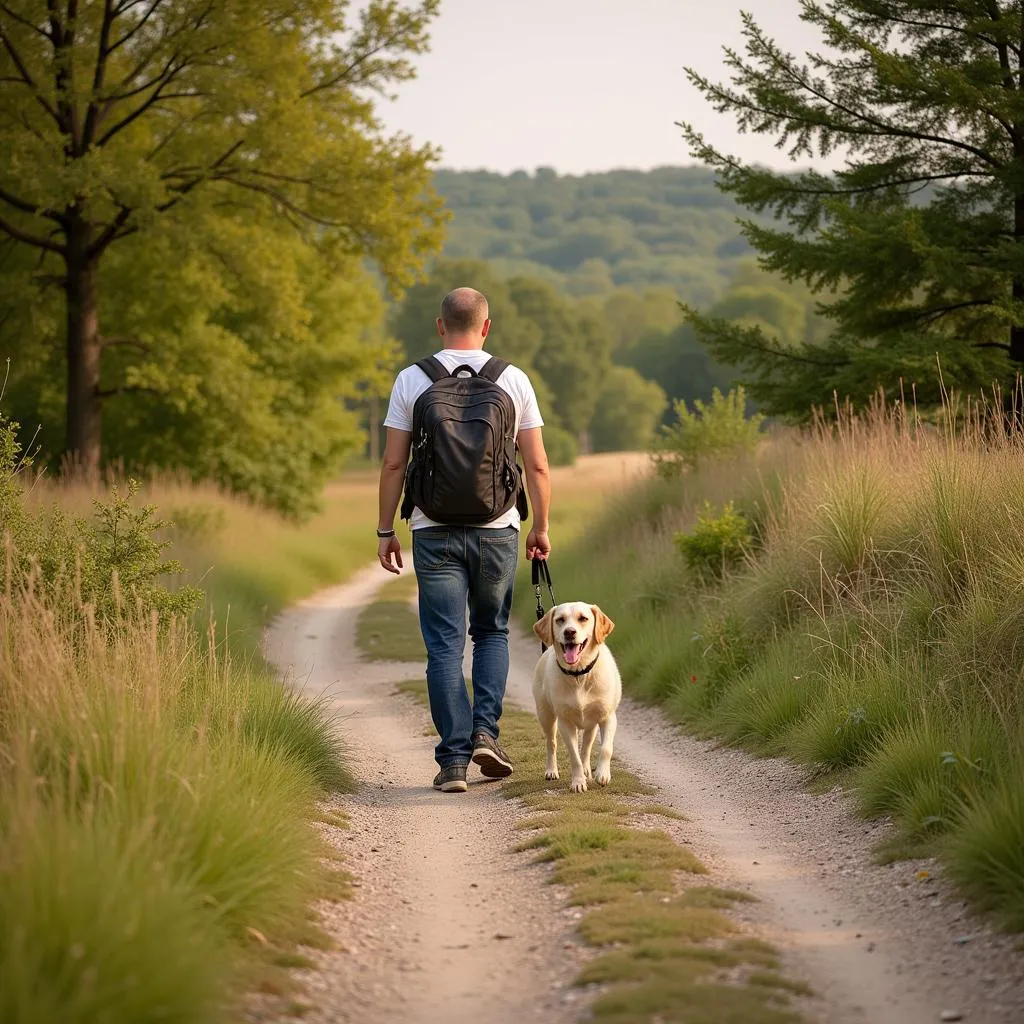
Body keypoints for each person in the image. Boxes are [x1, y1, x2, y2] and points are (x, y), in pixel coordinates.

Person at [376, 287, 551, 793]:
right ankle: (485, 736)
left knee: (444, 645)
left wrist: (387, 529)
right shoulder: (512, 379)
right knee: (492, 633)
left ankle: (452, 762)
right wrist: (539, 525)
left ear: (439, 326)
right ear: (487, 326)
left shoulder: (413, 379)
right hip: (498, 528)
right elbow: (536, 463)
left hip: (434, 530)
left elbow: (393, 463)